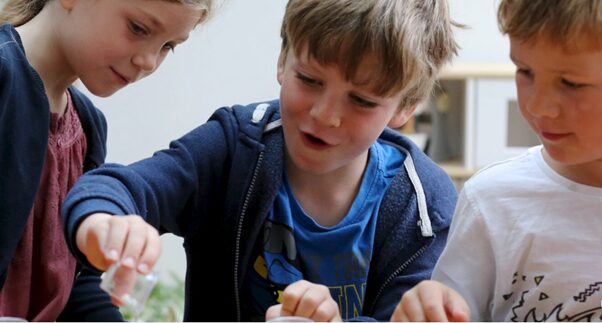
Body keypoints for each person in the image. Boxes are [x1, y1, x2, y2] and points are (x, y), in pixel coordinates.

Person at [61, 0, 459, 321]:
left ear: (404, 106)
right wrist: (104, 222)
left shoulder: (424, 206)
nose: (325, 114)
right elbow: (121, 187)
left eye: (361, 101)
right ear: (283, 61)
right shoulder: (234, 146)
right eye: (310, 79)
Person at [390, 0, 602, 321]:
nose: (538, 106)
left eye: (571, 83)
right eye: (525, 71)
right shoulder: (491, 200)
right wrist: (424, 309)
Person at [0, 0, 212, 321]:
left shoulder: (87, 126)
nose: (148, 61)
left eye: (168, 45)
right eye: (138, 28)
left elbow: (76, 286)